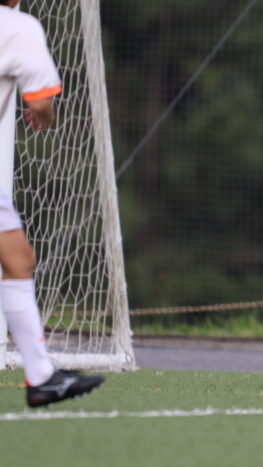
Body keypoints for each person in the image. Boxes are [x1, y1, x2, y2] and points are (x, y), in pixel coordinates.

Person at [0, 0, 104, 407]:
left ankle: (41, 376)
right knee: (17, 260)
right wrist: (45, 116)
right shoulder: (18, 27)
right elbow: (41, 103)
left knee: (18, 259)